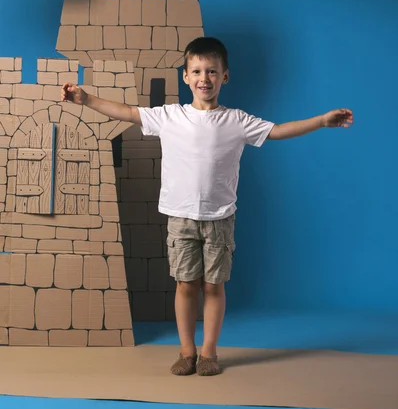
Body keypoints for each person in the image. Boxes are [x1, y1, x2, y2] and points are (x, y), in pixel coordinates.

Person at [61, 36, 354, 376]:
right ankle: (187, 351)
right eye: (197, 71)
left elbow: (277, 131)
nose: (204, 78)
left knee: (214, 286)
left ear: (224, 76)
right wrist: (85, 98)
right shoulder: (170, 116)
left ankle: (209, 352)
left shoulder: (237, 121)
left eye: (212, 71)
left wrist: (320, 120)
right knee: (186, 284)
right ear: (185, 77)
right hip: (180, 216)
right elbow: (127, 112)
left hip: (219, 218)